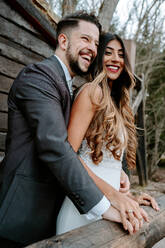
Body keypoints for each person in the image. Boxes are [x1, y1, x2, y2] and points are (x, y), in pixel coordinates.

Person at [56, 32, 159, 235]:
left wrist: (127, 196)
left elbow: (103, 161)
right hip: (85, 208)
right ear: (98, 57)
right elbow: (69, 154)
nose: (115, 59)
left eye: (121, 54)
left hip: (112, 205)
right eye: (108, 52)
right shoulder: (91, 92)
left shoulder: (117, 103)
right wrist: (114, 195)